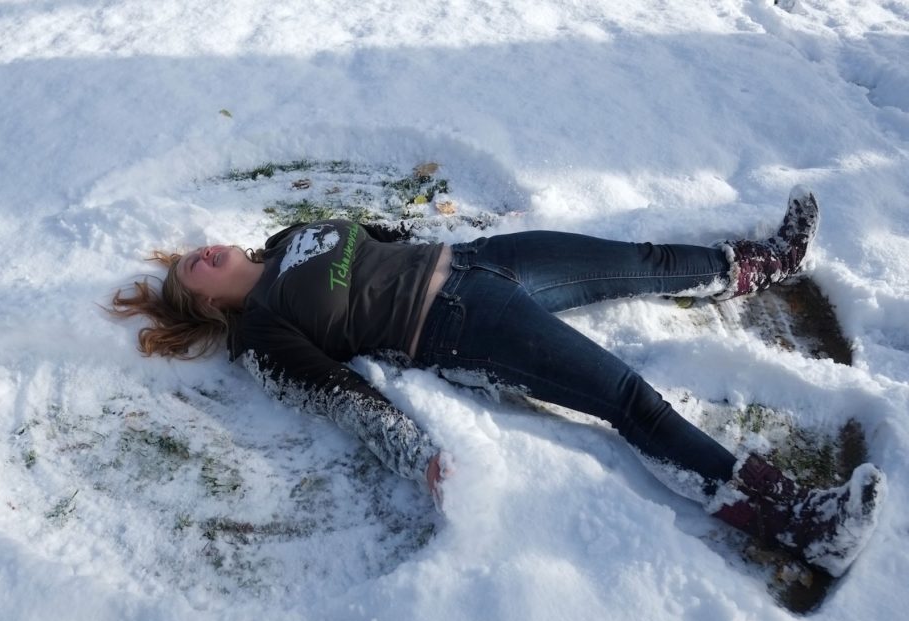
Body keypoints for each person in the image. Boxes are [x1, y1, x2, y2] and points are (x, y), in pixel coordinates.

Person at [110, 187, 883, 577]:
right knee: (625, 398)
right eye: (193, 270)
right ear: (205, 302)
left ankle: (763, 263)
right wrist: (417, 455)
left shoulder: (283, 242)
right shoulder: (260, 333)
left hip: (481, 261)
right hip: (454, 326)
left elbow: (377, 239)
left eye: (197, 249)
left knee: (636, 261)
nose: (204, 251)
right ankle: (803, 524)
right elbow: (338, 398)